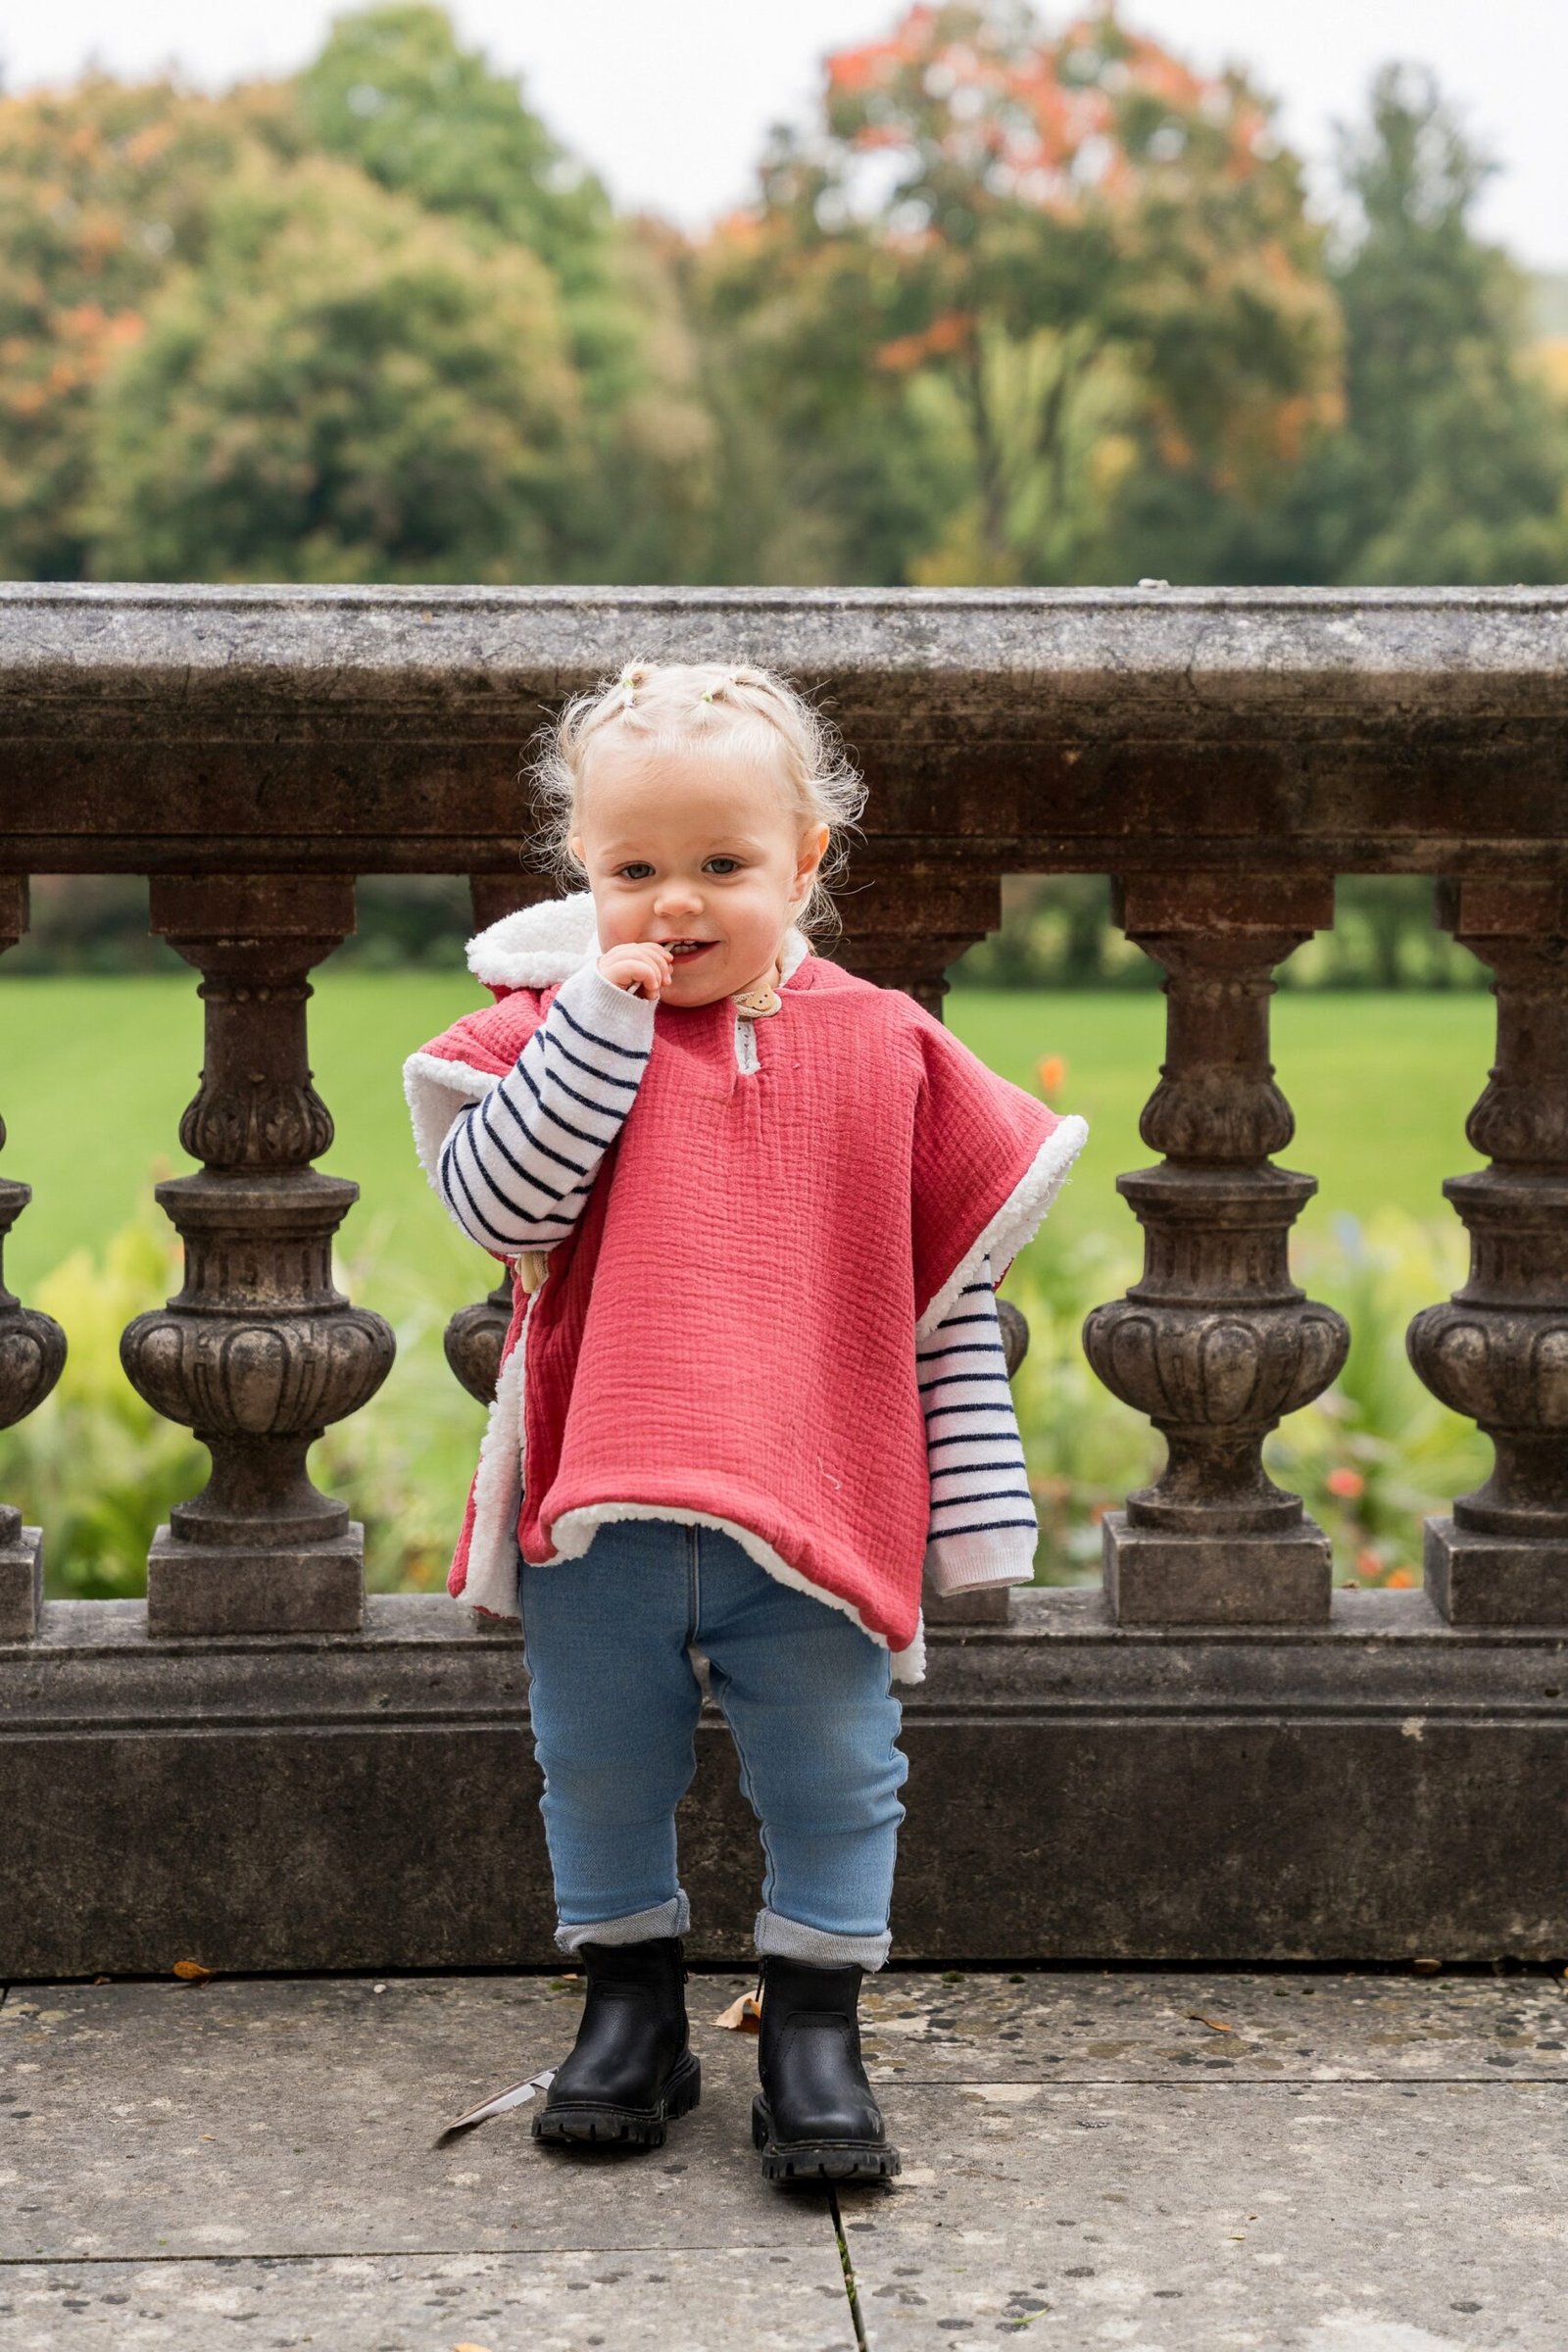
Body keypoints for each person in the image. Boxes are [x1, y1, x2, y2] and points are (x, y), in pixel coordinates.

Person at [404, 660, 1087, 2182]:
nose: (677, 903)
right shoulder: (542, 1027)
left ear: (805, 861)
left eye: (724, 864)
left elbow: (945, 1292)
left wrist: (976, 1519)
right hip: (605, 1499)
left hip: (819, 1495)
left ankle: (814, 2029)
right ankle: (630, 2014)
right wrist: (600, 1018)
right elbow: (502, 1206)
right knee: (597, 1763)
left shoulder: (885, 1042)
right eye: (634, 869)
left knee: (838, 1770)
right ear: (582, 869)